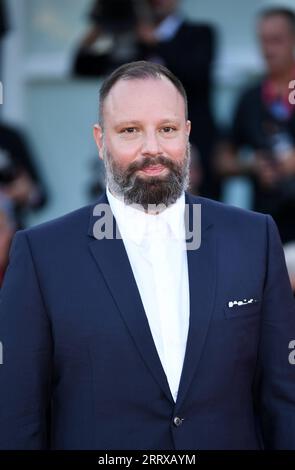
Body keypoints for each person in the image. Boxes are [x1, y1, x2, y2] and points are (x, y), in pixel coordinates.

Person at [0, 61, 295, 450]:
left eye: (167, 129)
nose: (152, 148)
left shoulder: (254, 239)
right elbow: (18, 418)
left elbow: (284, 400)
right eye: (130, 131)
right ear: (100, 140)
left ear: (187, 133)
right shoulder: (41, 256)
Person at [74, 0, 217, 197]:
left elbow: (195, 74)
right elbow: (81, 66)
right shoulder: (132, 42)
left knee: (196, 217)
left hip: (191, 145)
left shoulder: (200, 33)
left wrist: (152, 40)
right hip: (137, 150)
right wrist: (101, 25)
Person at [215, 7, 295, 244]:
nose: (268, 50)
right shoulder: (250, 97)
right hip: (268, 229)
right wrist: (251, 165)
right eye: (263, 41)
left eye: (276, 40)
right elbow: (222, 160)